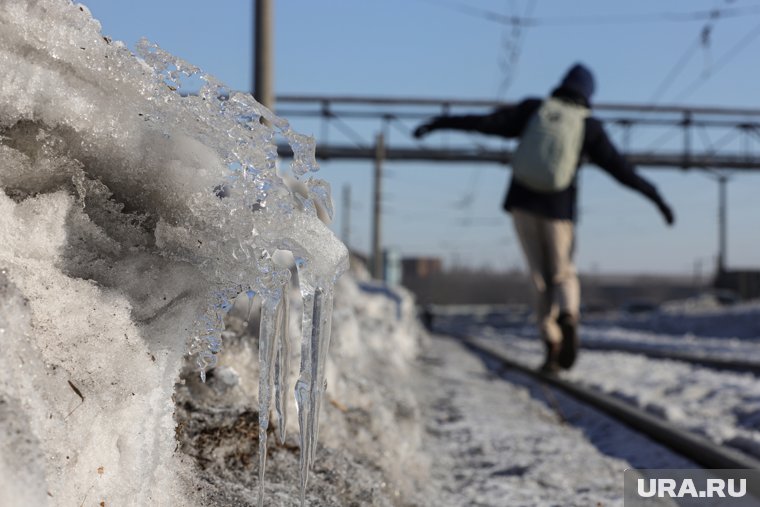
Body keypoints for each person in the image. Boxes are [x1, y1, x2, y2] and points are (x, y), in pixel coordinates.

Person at [413, 63, 675, 373]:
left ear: (562, 84)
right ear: (589, 94)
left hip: (522, 203)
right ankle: (568, 315)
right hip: (559, 210)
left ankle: (551, 346)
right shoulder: (588, 126)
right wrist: (657, 198)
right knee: (563, 272)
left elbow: (485, 123)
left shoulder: (534, 110)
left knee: (540, 279)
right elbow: (622, 171)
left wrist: (438, 123)